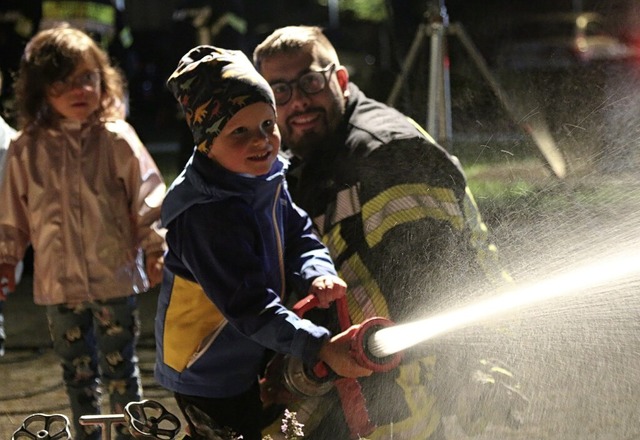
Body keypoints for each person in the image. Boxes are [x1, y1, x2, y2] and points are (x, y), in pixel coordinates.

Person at [253, 25, 526, 439]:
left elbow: (437, 289)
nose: (299, 101)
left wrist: (467, 376)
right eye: (281, 92)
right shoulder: (317, 154)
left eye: (310, 81)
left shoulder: (389, 156)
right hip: (372, 378)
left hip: (412, 391)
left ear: (340, 80)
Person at [154, 45, 372, 440]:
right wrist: (320, 348)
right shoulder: (206, 216)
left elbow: (298, 232)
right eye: (240, 130)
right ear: (206, 140)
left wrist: (316, 272)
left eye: (267, 125)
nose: (262, 141)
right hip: (208, 366)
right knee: (230, 431)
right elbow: (249, 306)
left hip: (254, 342)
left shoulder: (261, 176)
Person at [0, 25, 166, 440]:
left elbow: (148, 198)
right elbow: (13, 215)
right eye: (62, 82)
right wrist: (6, 259)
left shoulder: (116, 138)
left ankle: (130, 434)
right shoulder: (27, 148)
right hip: (59, 284)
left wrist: (157, 248)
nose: (78, 90)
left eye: (86, 77)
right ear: (40, 90)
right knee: (76, 373)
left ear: (102, 79)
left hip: (114, 277)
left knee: (121, 372)